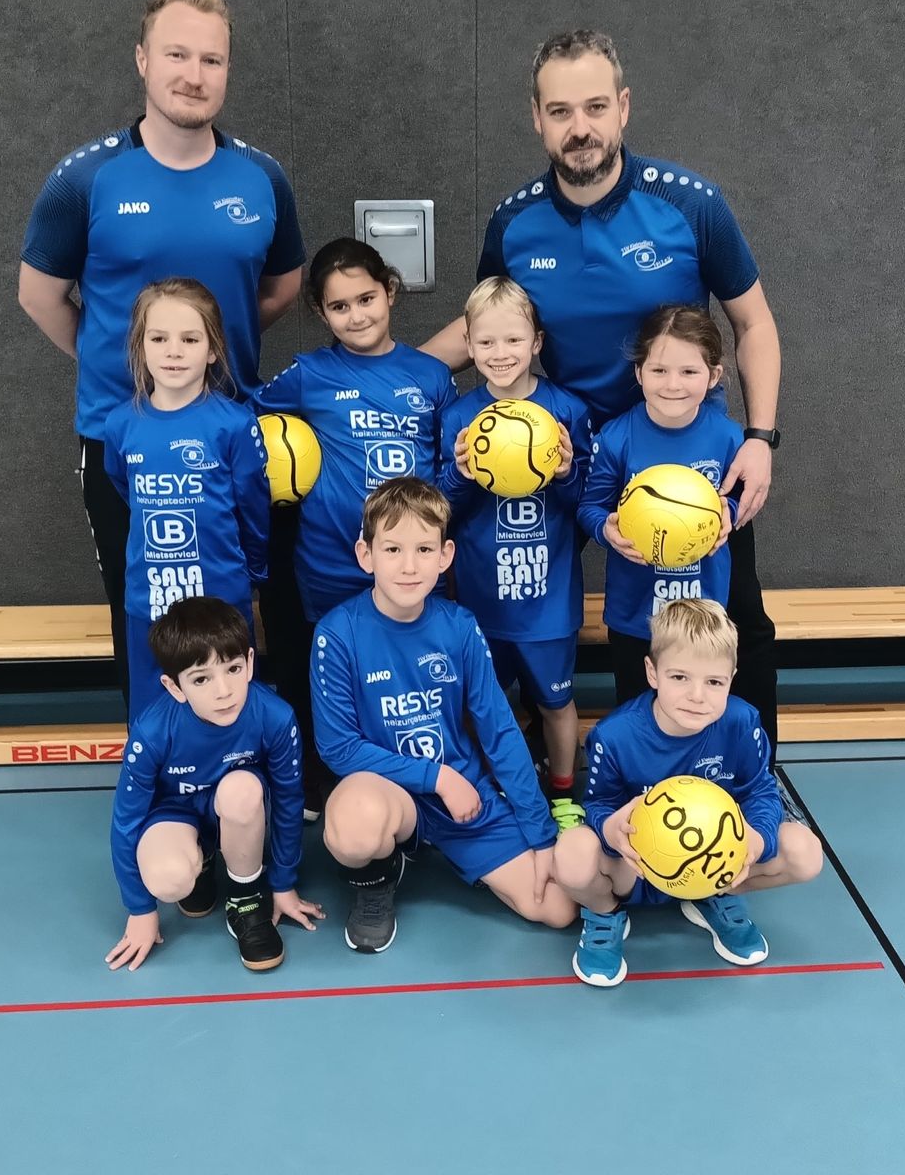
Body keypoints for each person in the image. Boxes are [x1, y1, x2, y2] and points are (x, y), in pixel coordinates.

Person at [424, 28, 782, 745]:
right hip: (564, 457)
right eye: (560, 111)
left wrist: (760, 439)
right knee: (619, 623)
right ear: (537, 118)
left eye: (594, 107)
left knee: (732, 615)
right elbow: (488, 327)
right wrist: (391, 375)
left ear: (623, 106)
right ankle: (620, 769)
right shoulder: (514, 222)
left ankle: (752, 773)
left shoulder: (690, 205)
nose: (579, 127)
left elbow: (755, 323)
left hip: (683, 452)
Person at [18, 0, 305, 706]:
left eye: (212, 60)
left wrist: (212, 365)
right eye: (177, 55)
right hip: (122, 437)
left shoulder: (262, 177)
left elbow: (281, 288)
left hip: (233, 436)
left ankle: (254, 752)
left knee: (247, 612)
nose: (194, 75)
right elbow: (40, 295)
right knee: (148, 618)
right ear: (143, 60)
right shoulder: (86, 178)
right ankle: (158, 757)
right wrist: (130, 372)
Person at [311, 478, 578, 953]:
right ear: (366, 555)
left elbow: (500, 732)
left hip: (465, 798)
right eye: (392, 549)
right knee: (354, 830)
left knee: (558, 908)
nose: (408, 566)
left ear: (445, 555)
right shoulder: (338, 633)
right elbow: (339, 748)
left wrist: (540, 834)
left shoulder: (459, 626)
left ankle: (462, 851)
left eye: (423, 549)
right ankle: (379, 877)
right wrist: (436, 778)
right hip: (390, 792)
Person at [254, 240, 458, 788]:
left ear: (389, 291)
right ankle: (327, 783)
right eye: (339, 307)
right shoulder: (309, 373)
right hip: (331, 565)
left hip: (410, 566)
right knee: (337, 682)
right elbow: (245, 422)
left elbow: (446, 473)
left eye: (366, 298)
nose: (357, 315)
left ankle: (412, 781)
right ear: (321, 313)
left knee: (407, 680)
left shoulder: (431, 376)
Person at [556, 598, 823, 988]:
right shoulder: (614, 736)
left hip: (713, 863)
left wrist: (757, 839)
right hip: (635, 868)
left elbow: (761, 791)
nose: (697, 695)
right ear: (653, 672)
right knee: (571, 854)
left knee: (806, 853)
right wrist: (610, 828)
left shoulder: (742, 721)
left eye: (714, 682)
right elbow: (598, 803)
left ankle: (710, 895)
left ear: (731, 678)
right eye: (680, 677)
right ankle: (605, 913)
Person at [104, 598, 322, 975]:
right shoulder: (152, 731)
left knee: (242, 789)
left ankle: (245, 900)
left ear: (250, 663)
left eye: (233, 669)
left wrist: (283, 884)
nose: (224, 690)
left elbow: (289, 802)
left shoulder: (275, 716)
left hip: (236, 808)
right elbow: (126, 822)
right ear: (174, 687)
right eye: (201, 678)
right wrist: (140, 910)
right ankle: (200, 860)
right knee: (169, 880)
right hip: (176, 813)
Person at [440, 278, 592, 805]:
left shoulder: (566, 410)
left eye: (513, 340)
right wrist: (459, 474)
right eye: (486, 342)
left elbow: (586, 506)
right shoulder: (458, 417)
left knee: (556, 704)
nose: (500, 353)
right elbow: (440, 512)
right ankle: (490, 795)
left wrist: (568, 474)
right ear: (468, 344)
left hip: (548, 602)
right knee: (480, 705)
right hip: (480, 600)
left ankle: (563, 797)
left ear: (537, 342)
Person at [100, 278, 270, 722]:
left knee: (228, 713)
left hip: (220, 600)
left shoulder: (234, 424)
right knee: (154, 719)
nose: (173, 351)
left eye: (190, 339)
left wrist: (251, 575)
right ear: (140, 346)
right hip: (150, 602)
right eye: (159, 339)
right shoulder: (120, 425)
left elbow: (254, 510)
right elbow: (123, 488)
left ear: (213, 349)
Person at [579, 305, 742, 704]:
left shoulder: (727, 437)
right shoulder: (616, 437)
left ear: (714, 376)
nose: (673, 384)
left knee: (697, 707)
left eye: (689, 372)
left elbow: (738, 499)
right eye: (659, 370)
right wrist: (605, 530)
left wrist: (730, 514)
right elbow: (589, 507)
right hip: (636, 613)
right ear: (638, 373)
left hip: (703, 612)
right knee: (636, 710)